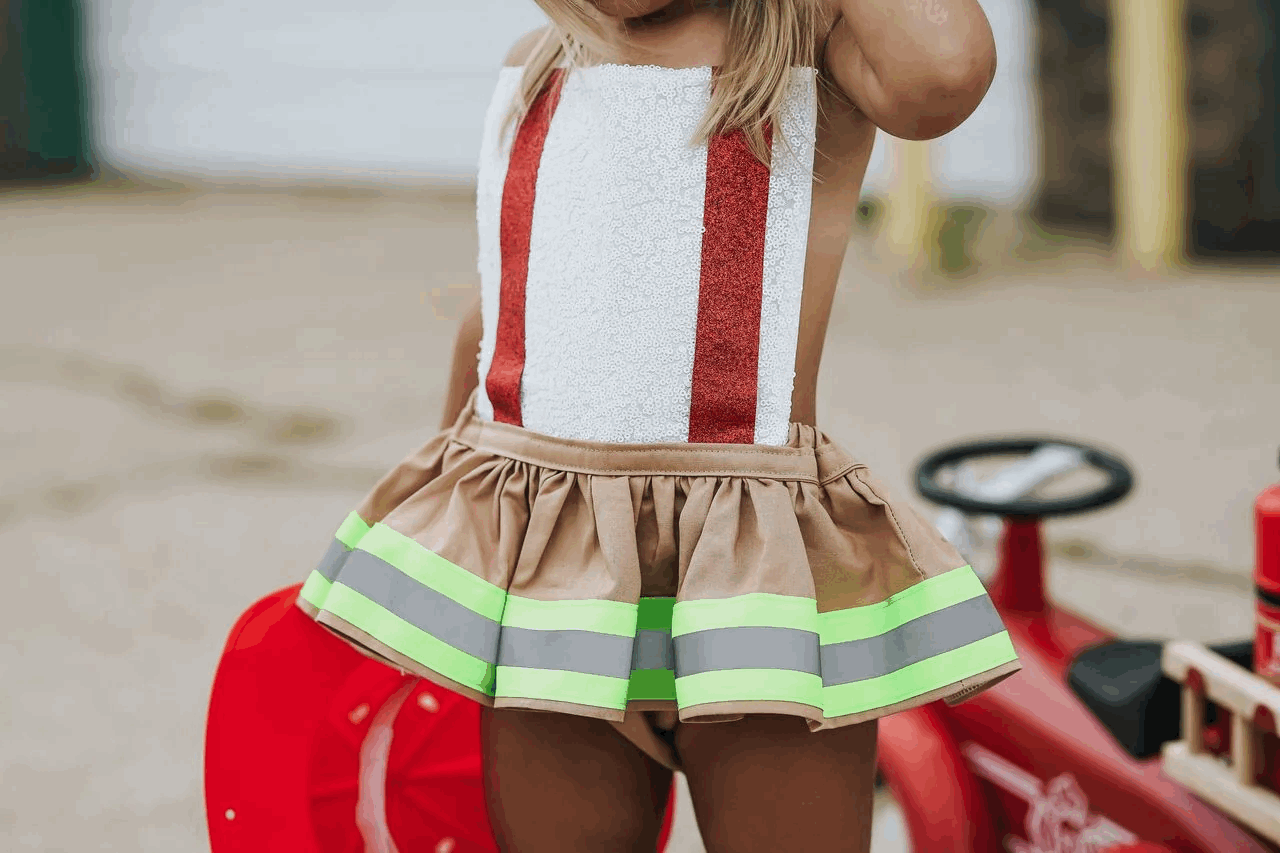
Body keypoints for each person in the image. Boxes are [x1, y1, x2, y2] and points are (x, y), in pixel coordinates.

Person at [296, 1, 1019, 850]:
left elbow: (944, 69)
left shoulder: (805, 49)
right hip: (551, 577)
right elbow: (501, 324)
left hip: (752, 575)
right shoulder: (535, 67)